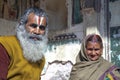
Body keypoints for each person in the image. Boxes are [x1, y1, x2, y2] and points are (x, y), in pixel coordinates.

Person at [0, 7, 48, 80]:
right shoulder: (5, 46)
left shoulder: (40, 59)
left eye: (41, 28)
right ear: (22, 26)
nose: (37, 32)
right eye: (33, 26)